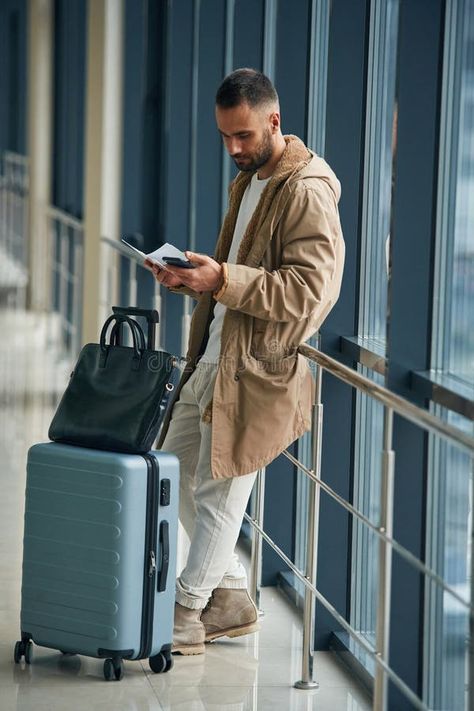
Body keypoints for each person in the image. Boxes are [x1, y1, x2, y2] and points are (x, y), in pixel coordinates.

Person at [147, 68, 345, 655]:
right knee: (171, 465)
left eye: (243, 136)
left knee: (224, 493)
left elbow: (311, 293)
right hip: (213, 356)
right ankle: (231, 589)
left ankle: (189, 612)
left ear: (274, 121)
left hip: (258, 371)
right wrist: (193, 279)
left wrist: (224, 278)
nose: (233, 149)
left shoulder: (306, 188)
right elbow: (234, 273)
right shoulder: (251, 180)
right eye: (225, 137)